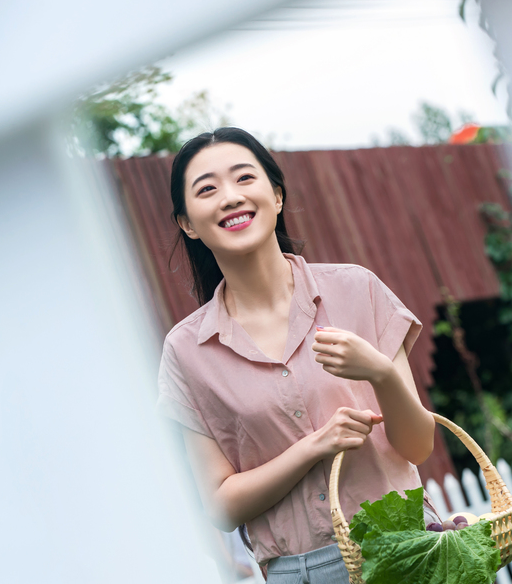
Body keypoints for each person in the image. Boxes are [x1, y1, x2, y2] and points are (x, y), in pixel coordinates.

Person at [156, 127, 439, 584]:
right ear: (187, 223)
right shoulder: (187, 350)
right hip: (299, 573)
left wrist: (381, 374)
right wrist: (315, 446)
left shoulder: (356, 289)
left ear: (278, 195)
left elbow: (419, 446)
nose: (229, 197)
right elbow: (220, 505)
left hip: (408, 550)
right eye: (207, 189)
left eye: (244, 178)